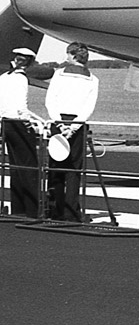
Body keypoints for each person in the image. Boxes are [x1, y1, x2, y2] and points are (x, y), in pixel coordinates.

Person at [42, 42, 99, 222]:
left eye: (68, 55)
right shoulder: (94, 79)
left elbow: (50, 101)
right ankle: (71, 211)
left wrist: (60, 125)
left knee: (56, 168)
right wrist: (74, 127)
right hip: (79, 125)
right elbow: (89, 108)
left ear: (73, 56)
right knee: (74, 170)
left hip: (58, 121)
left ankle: (56, 210)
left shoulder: (59, 75)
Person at [0, 47, 47, 217]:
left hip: (6, 123)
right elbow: (21, 107)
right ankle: (32, 210)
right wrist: (35, 122)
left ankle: (17, 208)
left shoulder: (4, 77)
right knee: (29, 166)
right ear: (29, 62)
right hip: (19, 123)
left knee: (15, 166)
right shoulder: (21, 79)